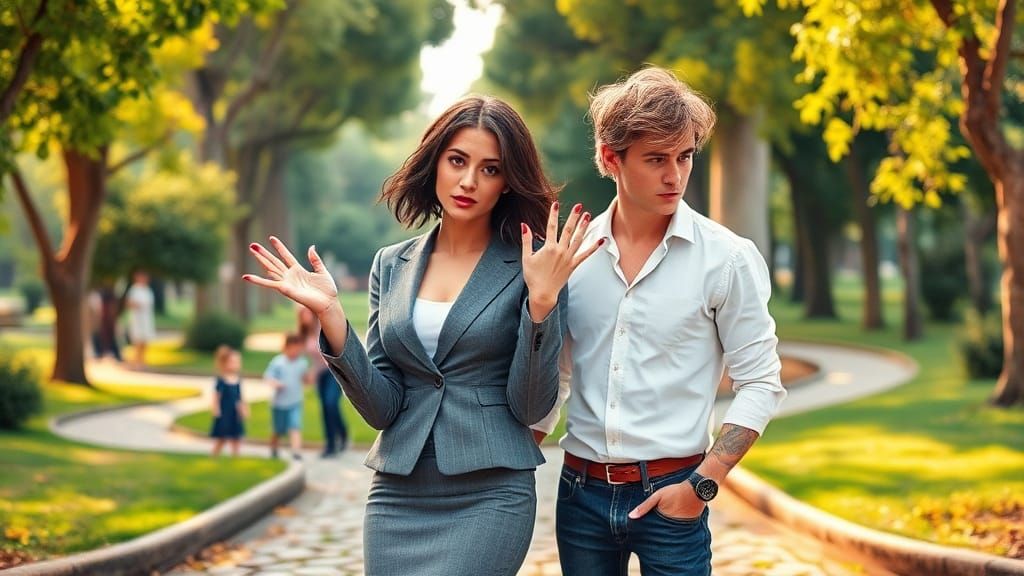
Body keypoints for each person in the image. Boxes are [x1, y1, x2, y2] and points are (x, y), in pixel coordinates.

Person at [244, 95, 600, 576]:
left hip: (491, 491)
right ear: (435, 163)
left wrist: (541, 305)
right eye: (457, 161)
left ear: (507, 182)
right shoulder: (391, 264)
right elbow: (382, 408)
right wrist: (330, 316)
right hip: (398, 492)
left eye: (490, 169)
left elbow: (532, 406)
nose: (469, 181)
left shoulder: (535, 266)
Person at [532, 67, 788, 576]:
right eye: (656, 159)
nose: (675, 176)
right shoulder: (574, 256)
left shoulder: (727, 259)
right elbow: (557, 375)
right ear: (611, 158)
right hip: (579, 497)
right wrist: (514, 466)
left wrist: (702, 485)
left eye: (685, 156)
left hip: (675, 495)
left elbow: (761, 381)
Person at [298, 305, 348, 458]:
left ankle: (342, 433)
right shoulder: (304, 333)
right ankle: (331, 444)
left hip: (334, 371)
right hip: (321, 376)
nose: (304, 315)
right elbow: (305, 358)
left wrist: (314, 371)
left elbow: (330, 351)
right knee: (325, 408)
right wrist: (307, 373)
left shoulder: (322, 326)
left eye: (306, 312)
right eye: (301, 314)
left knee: (330, 403)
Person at [264, 333, 309, 460]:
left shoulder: (302, 363)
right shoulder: (278, 362)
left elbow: (305, 378)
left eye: (298, 349)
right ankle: (274, 448)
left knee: (295, 425)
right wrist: (276, 383)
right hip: (279, 403)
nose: (296, 352)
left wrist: (309, 378)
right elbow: (268, 377)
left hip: (295, 401)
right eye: (293, 349)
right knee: (278, 429)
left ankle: (296, 451)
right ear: (286, 347)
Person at [210, 345, 247, 457]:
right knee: (222, 438)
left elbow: (240, 397)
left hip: (235, 414)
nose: (236, 364)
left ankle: (236, 457)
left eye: (237, 362)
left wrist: (243, 410)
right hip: (225, 413)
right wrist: (216, 410)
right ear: (224, 363)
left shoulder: (237, 380)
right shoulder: (221, 381)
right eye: (232, 362)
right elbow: (216, 397)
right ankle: (214, 456)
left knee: (236, 438)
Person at [124, 270, 155, 368]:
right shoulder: (134, 290)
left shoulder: (148, 290)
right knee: (138, 340)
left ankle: (142, 360)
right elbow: (129, 303)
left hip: (146, 319)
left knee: (145, 340)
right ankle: (136, 361)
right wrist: (138, 306)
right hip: (137, 319)